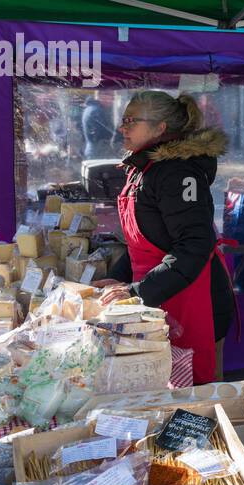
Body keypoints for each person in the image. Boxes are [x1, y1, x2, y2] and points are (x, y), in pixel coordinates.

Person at [96, 91, 236, 383]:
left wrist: (137, 292)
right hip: (159, 294)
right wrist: (119, 279)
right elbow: (143, 244)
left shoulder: (178, 172)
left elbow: (194, 245)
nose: (123, 127)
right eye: (124, 120)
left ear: (160, 128)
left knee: (199, 399)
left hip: (195, 298)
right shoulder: (143, 168)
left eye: (131, 121)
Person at [81, 91, 118, 160]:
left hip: (96, 151)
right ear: (100, 95)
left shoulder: (92, 108)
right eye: (110, 95)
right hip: (99, 153)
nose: (113, 99)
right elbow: (105, 133)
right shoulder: (96, 111)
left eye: (114, 96)